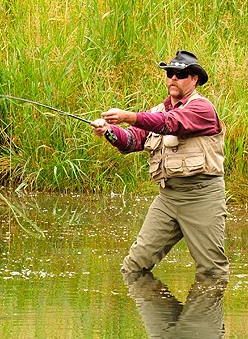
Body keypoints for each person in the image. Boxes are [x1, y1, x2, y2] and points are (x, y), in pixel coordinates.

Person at [92, 50, 229, 285]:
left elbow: (171, 123)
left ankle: (201, 322)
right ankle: (164, 322)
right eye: (170, 73)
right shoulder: (156, 112)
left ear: (194, 79)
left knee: (211, 272)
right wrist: (109, 132)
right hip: (167, 199)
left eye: (181, 74)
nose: (173, 78)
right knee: (133, 268)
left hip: (202, 196)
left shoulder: (202, 108)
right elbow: (132, 141)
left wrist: (129, 116)